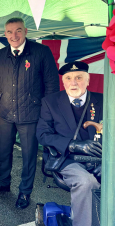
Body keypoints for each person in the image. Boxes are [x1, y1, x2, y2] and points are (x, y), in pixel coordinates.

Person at [0, 17, 59, 209]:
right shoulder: (0, 55)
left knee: (29, 156)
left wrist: (48, 114)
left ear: (25, 31)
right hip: (6, 113)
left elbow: (52, 85)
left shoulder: (41, 52)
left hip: (31, 115)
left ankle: (25, 192)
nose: (14, 35)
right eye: (9, 32)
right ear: (5, 34)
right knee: (4, 152)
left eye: (18, 30)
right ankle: (3, 183)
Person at [36, 61, 102, 226]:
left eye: (79, 77)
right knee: (87, 182)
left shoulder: (103, 100)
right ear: (63, 82)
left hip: (99, 158)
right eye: (69, 78)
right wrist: (73, 145)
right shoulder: (50, 102)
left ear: (88, 80)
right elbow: (43, 135)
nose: (74, 82)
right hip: (67, 159)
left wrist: (107, 162)